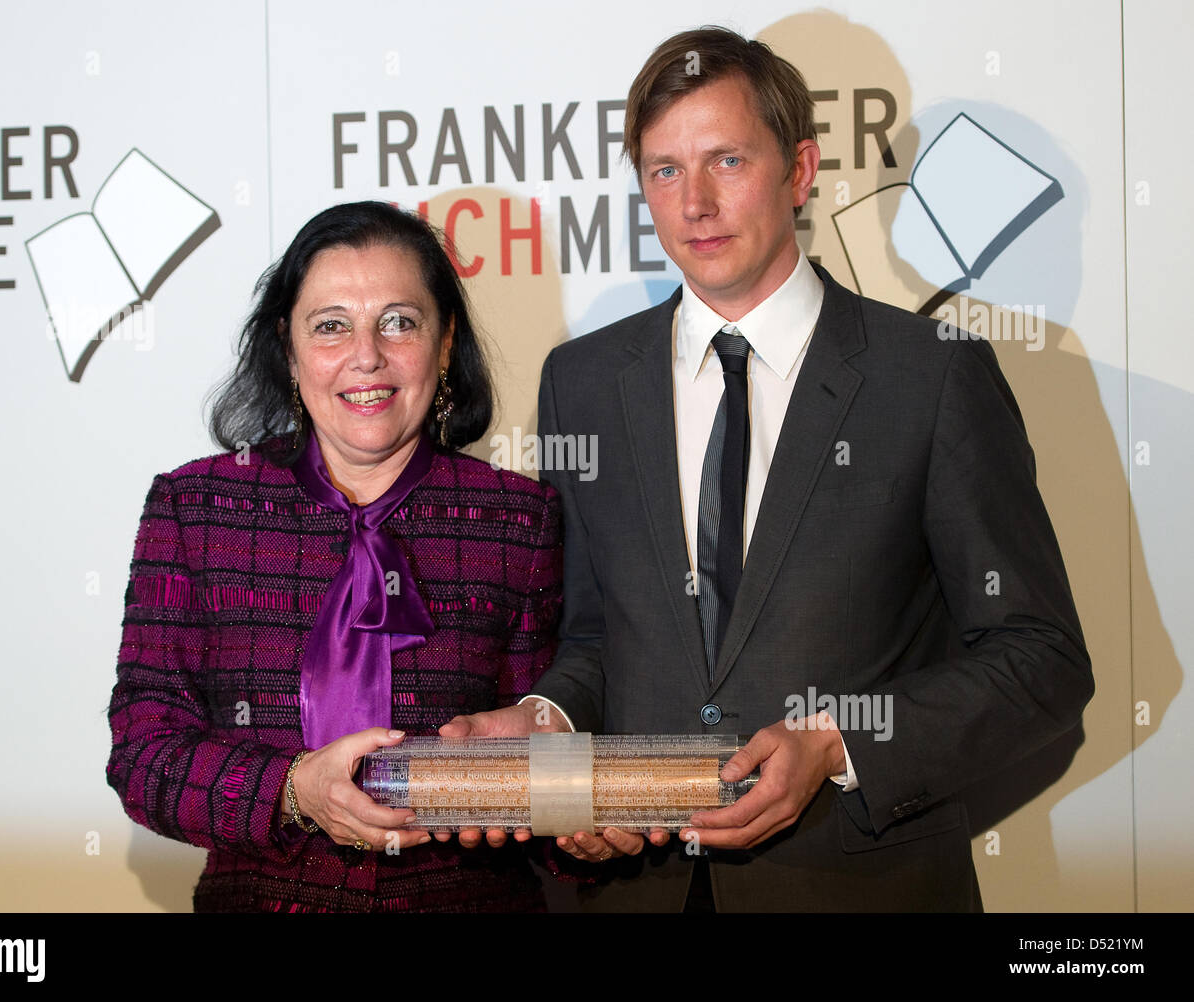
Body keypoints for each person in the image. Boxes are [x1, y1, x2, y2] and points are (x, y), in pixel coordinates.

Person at [442, 27, 1093, 911]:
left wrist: (837, 744)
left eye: (727, 161)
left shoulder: (931, 375)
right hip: (633, 889)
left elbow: (1040, 657)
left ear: (799, 169)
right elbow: (594, 640)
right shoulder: (585, 381)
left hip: (862, 885)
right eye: (665, 171)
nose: (696, 203)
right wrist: (547, 724)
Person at [106, 201, 562, 912]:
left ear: (444, 346)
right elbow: (142, 755)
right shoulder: (195, 508)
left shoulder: (519, 521)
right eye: (331, 326)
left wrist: (582, 826)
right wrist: (292, 789)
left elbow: (547, 752)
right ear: (288, 351)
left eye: (399, 322)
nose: (367, 356)